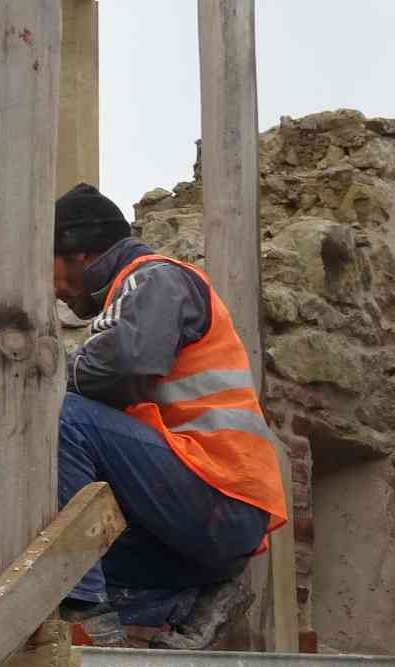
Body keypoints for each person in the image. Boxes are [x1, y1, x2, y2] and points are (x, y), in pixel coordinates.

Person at [51, 183, 287, 642]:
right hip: (201, 520)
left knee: (60, 413)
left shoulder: (152, 277)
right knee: (80, 550)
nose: (55, 290)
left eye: (52, 268)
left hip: (218, 492)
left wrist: (47, 373)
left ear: (77, 252)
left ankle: (84, 610)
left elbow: (122, 366)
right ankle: (197, 599)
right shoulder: (129, 298)